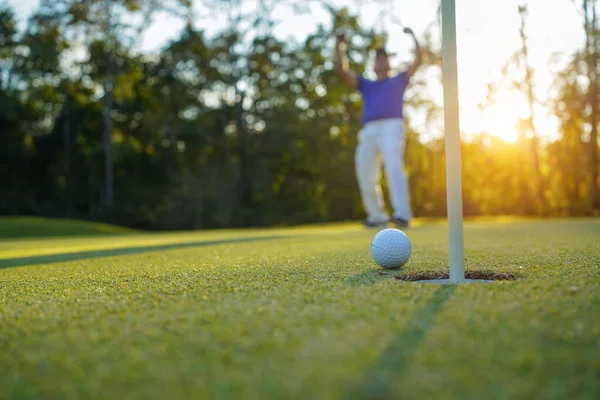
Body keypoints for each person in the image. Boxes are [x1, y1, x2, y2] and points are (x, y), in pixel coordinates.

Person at [334, 28, 422, 228]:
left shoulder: (398, 80)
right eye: (377, 58)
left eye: (384, 58)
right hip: (369, 130)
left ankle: (402, 214)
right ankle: (377, 216)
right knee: (364, 170)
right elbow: (342, 70)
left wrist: (413, 37)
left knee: (393, 167)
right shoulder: (366, 84)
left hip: (393, 126)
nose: (381, 61)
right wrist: (339, 45)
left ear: (389, 63)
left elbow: (418, 59)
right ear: (373, 64)